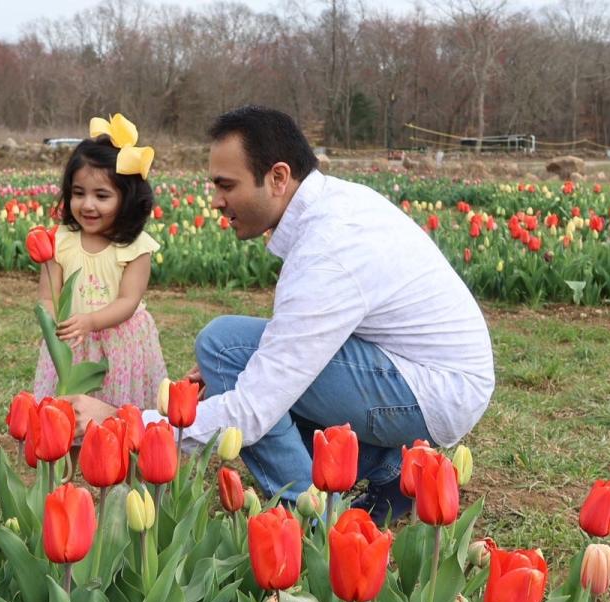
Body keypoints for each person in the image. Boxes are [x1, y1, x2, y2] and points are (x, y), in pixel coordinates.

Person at [68, 105, 495, 525]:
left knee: (225, 349)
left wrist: (128, 423)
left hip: (427, 391)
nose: (216, 201)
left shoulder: (327, 249)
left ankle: (314, 523)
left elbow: (255, 409)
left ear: (277, 177)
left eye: (226, 185)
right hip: (427, 375)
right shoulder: (334, 204)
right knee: (234, 350)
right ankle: (392, 471)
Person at [34, 114, 168, 408]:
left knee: (114, 415)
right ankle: (67, 455)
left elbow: (128, 300)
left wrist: (91, 321)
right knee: (67, 415)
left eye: (102, 195)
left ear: (128, 198)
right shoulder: (61, 240)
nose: (88, 205)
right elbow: (48, 296)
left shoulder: (135, 247)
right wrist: (55, 327)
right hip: (72, 342)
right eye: (79, 193)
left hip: (120, 344)